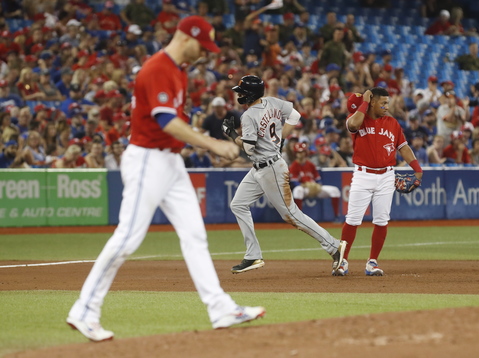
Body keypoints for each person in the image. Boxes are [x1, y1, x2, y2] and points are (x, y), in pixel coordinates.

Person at [67, 16, 265, 343]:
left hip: (169, 162)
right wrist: (213, 143)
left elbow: (174, 127)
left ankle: (220, 308)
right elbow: (166, 121)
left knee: (194, 234)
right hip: (147, 158)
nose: (204, 53)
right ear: (186, 38)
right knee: (128, 237)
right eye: (202, 46)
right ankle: (84, 309)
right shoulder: (158, 68)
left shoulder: (178, 71)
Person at [222, 75, 346, 275]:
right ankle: (253, 255)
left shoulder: (248, 116)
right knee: (238, 204)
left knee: (292, 215)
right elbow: (295, 116)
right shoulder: (272, 101)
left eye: (243, 91)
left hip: (270, 167)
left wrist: (232, 134)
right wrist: (281, 138)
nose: (240, 94)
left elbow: (249, 149)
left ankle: (334, 246)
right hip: (261, 167)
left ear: (251, 93)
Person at [337, 88, 423, 277]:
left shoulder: (392, 123)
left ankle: (372, 262)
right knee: (352, 220)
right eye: (382, 103)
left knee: (382, 221)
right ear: (372, 102)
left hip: (387, 175)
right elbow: (353, 124)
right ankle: (342, 261)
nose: (386, 106)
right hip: (362, 174)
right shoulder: (358, 118)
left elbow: (404, 147)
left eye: (387, 103)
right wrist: (364, 103)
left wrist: (417, 168)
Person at [289, 142, 342, 221]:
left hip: (314, 188)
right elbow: (294, 182)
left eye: (302, 152)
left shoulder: (310, 165)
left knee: (335, 190)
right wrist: (306, 185)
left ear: (306, 152)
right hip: (304, 189)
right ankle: (298, 218)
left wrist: (317, 186)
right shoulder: (293, 166)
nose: (301, 154)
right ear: (295, 153)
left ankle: (337, 217)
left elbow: (318, 179)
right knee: (297, 190)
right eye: (299, 152)